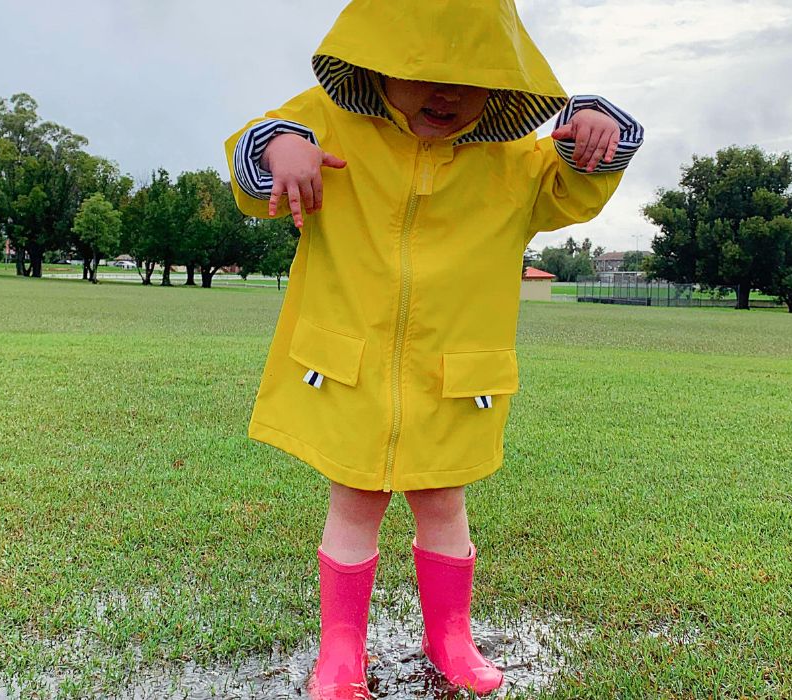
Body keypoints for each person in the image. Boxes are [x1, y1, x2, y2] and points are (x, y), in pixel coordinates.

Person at [225, 1, 643, 697]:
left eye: (468, 76)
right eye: (422, 71)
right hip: (349, 366)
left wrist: (598, 129)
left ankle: (451, 639)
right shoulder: (328, 119)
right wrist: (278, 148)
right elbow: (252, 157)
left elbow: (573, 188)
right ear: (377, 61)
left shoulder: (513, 160)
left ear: (504, 81)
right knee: (354, 502)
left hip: (455, 372)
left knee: (444, 502)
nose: (445, 93)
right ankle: (340, 654)